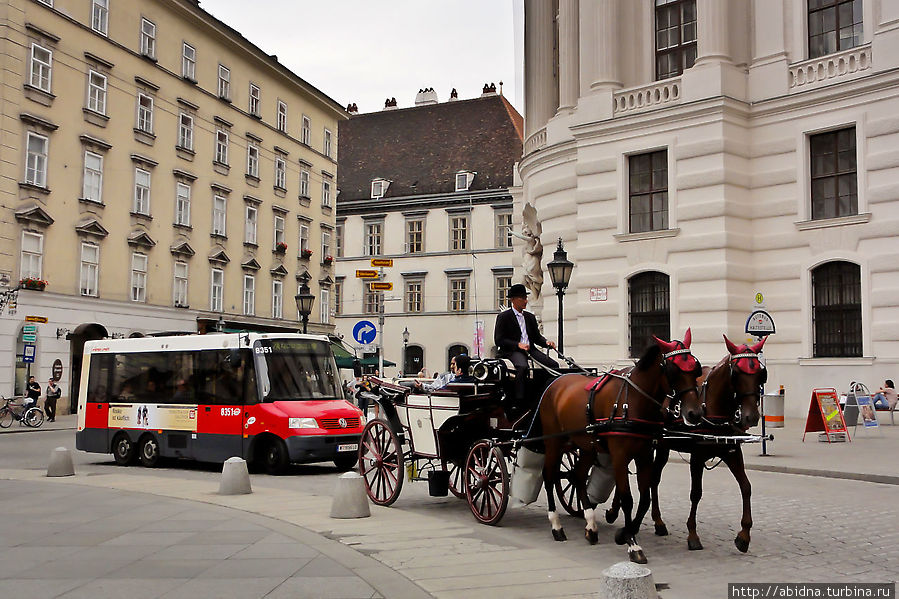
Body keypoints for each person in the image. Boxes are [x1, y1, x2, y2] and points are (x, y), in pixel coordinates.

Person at [494, 284, 559, 407]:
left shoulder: (529, 317)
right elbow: (499, 340)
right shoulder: (504, 317)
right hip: (513, 351)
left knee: (553, 365)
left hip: (530, 349)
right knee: (522, 366)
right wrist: (518, 345)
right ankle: (519, 400)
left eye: (525, 298)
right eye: (522, 298)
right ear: (512, 300)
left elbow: (536, 337)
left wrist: (546, 343)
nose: (525, 301)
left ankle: (545, 392)